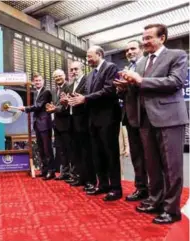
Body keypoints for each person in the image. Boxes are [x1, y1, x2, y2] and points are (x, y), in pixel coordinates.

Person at [116, 24, 188, 224]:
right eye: (143, 38)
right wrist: (127, 85)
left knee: (172, 167)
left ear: (162, 38)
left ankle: (171, 210)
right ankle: (155, 200)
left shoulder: (177, 55)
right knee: (152, 164)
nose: (144, 42)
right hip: (145, 119)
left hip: (170, 118)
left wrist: (140, 80)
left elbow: (175, 81)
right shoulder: (142, 62)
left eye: (149, 38)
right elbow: (138, 86)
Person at [69, 45, 122, 201]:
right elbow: (88, 94)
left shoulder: (110, 67)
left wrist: (85, 98)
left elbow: (109, 90)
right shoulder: (91, 74)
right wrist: (77, 97)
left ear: (99, 54)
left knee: (110, 154)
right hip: (93, 119)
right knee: (97, 154)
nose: (88, 59)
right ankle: (103, 184)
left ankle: (116, 188)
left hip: (108, 118)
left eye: (90, 56)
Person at [120, 40, 148, 201]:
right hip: (130, 116)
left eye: (133, 48)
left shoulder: (146, 64)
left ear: (141, 49)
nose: (129, 52)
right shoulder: (128, 68)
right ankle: (141, 188)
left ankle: (155, 191)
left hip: (145, 116)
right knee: (137, 156)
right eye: (127, 49)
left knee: (150, 156)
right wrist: (121, 88)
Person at [64, 61, 96, 190]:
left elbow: (88, 98)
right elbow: (70, 101)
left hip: (84, 121)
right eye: (71, 70)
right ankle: (80, 178)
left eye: (76, 69)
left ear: (82, 69)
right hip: (72, 121)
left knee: (86, 152)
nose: (73, 72)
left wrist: (81, 100)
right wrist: (65, 101)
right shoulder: (71, 85)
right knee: (76, 152)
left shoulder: (87, 81)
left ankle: (90, 180)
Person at [16, 73, 54, 179]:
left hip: (45, 124)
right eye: (36, 81)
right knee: (41, 149)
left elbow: (39, 106)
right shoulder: (36, 92)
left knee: (47, 149)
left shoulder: (46, 92)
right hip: (38, 124)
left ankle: (51, 171)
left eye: (39, 80)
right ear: (33, 82)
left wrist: (25, 108)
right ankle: (44, 170)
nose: (37, 82)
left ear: (43, 81)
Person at [45, 69, 71, 180]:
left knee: (69, 150)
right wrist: (51, 108)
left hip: (67, 124)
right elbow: (55, 105)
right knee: (61, 150)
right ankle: (64, 172)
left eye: (59, 76)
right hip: (57, 124)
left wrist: (55, 109)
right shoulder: (54, 90)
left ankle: (72, 173)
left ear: (64, 76)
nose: (58, 78)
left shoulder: (69, 87)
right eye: (55, 77)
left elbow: (68, 105)